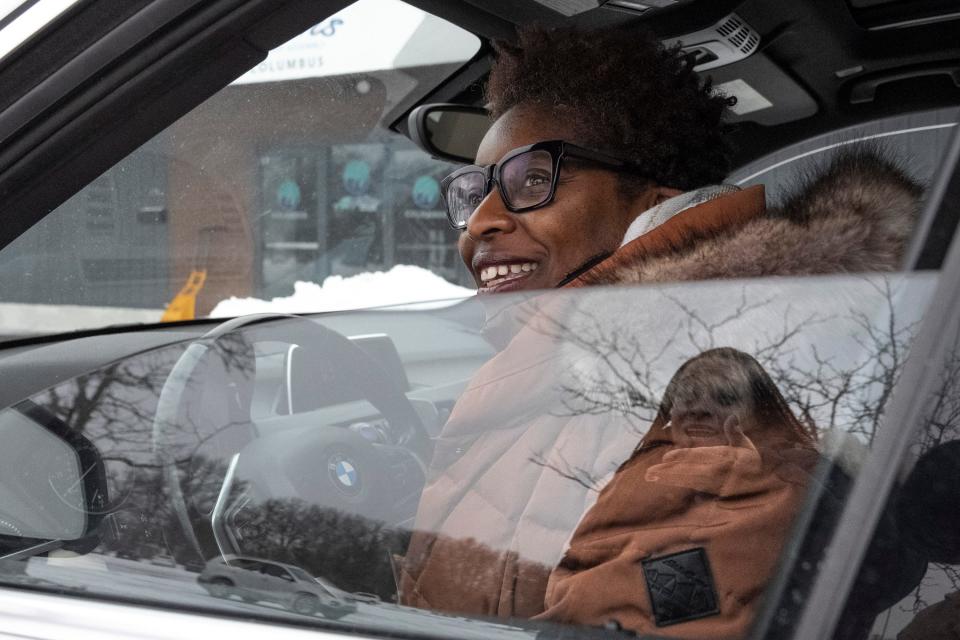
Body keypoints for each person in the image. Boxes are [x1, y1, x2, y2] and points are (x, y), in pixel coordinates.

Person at [398, 22, 923, 638]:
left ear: (652, 205)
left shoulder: (713, 415)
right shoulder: (566, 375)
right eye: (474, 191)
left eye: (532, 181)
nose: (480, 222)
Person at [540, 348, 819, 636]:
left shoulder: (792, 487)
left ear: (759, 416)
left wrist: (746, 482)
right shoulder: (631, 477)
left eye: (725, 398)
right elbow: (569, 575)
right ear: (671, 412)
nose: (700, 409)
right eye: (688, 397)